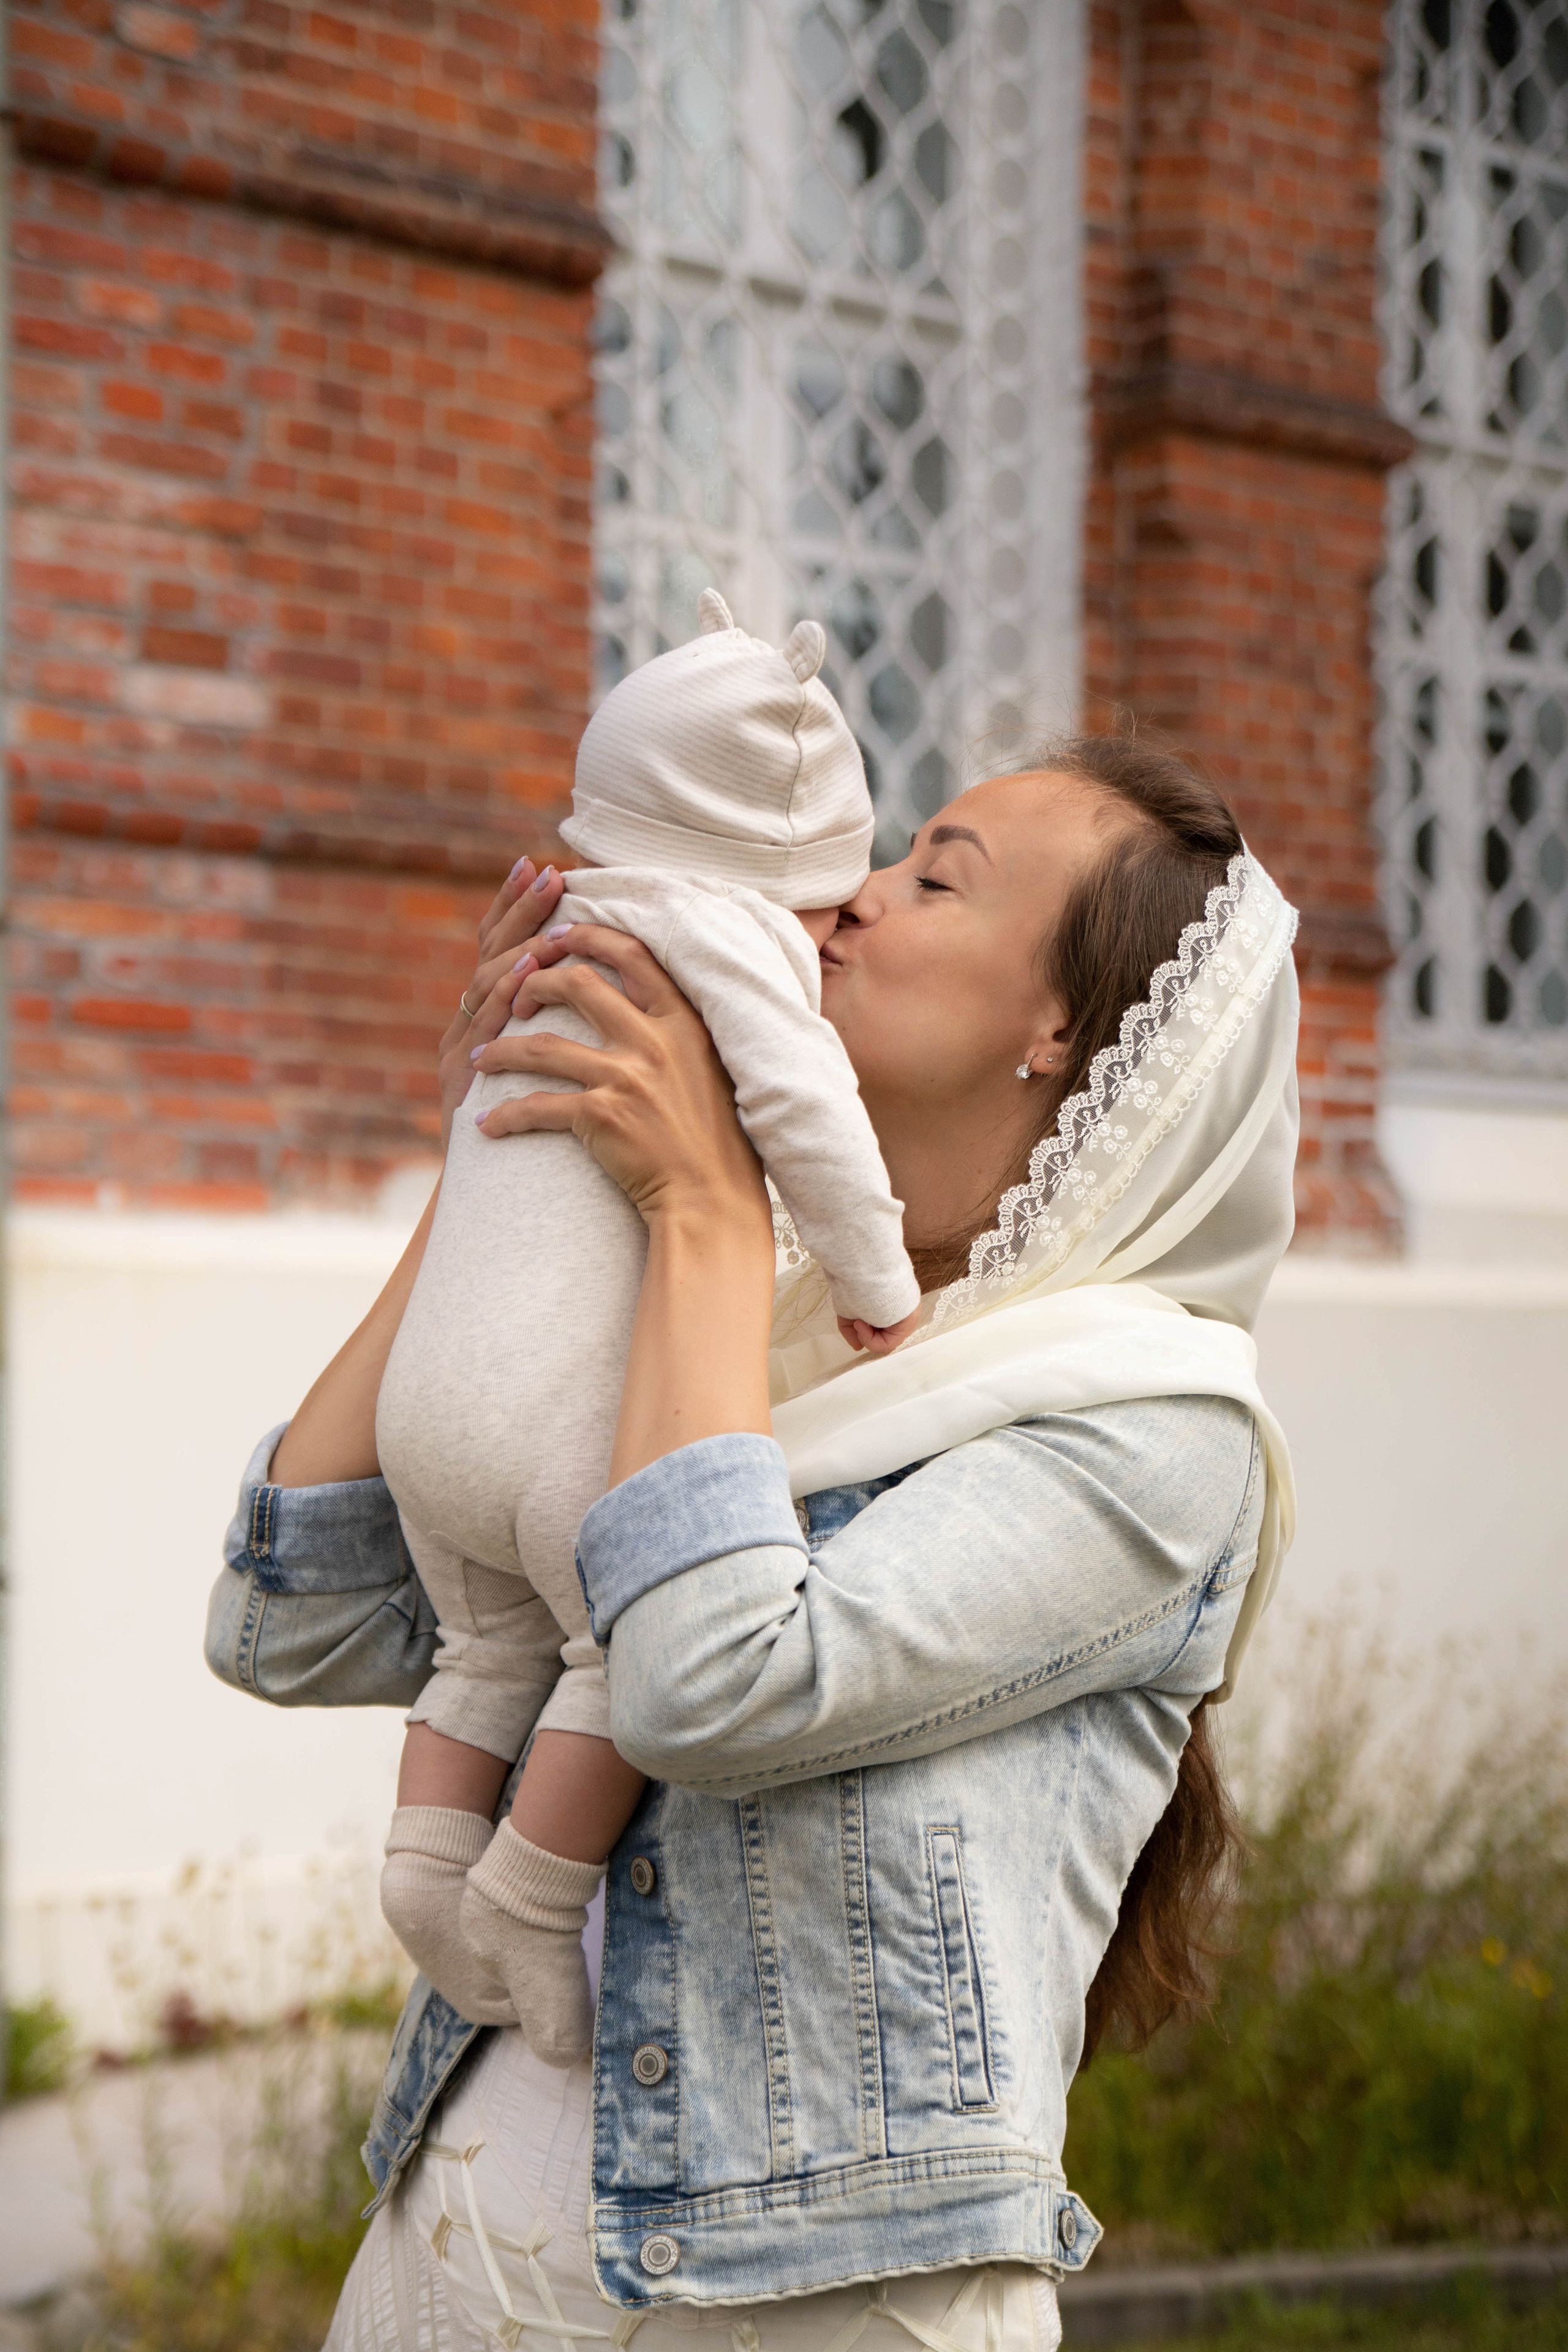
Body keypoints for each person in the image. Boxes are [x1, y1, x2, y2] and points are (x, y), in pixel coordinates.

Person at [206, 731, 1300, 2352]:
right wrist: (499, 1136)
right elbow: (294, 1620)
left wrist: (706, 1214)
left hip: (804, 2311)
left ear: (1059, 1023)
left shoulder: (1151, 1438)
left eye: (936, 875)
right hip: (442, 2262)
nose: (849, 900)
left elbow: (713, 1686)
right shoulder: (744, 1294)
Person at [378, 590, 918, 2068]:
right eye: (836, 896)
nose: (839, 930)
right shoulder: (723, 935)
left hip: (418, 1421)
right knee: (607, 1653)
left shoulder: (561, 915)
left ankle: (420, 1869)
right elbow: (805, 1112)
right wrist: (875, 1277)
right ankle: (525, 1908)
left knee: (479, 1654)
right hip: (560, 1441)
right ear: (772, 869)